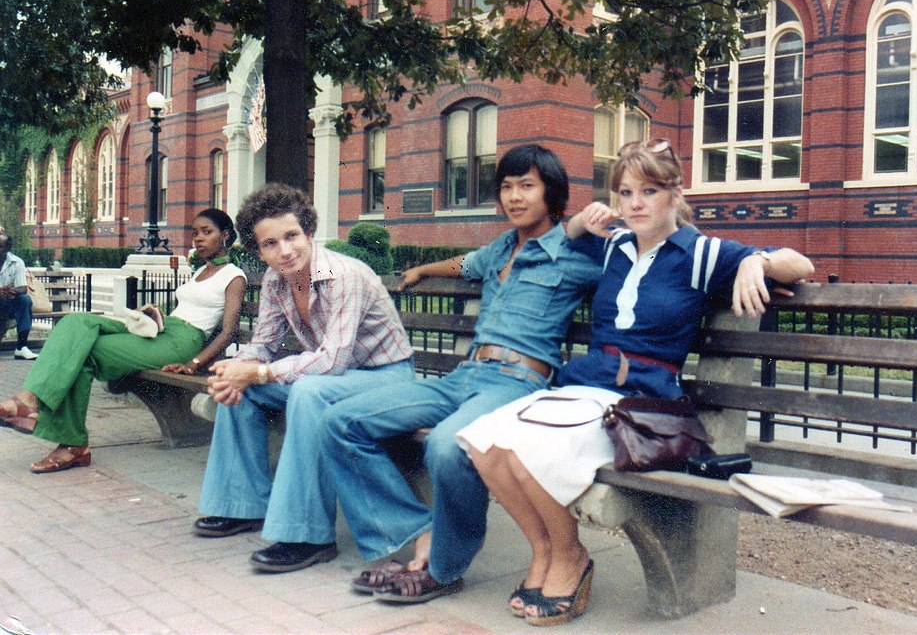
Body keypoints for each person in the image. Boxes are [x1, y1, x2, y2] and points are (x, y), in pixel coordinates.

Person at [456, 140, 816, 626]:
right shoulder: (616, 247)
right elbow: (563, 234)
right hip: (584, 387)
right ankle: (544, 550)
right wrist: (586, 219)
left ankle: (571, 558)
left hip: (639, 402)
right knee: (484, 443)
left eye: (649, 190)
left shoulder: (701, 252)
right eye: (625, 192)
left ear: (675, 193)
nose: (636, 203)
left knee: (526, 451)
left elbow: (801, 265)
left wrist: (759, 261)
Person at [318, 144, 603, 603]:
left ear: (552, 193)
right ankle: (415, 531)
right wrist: (423, 269)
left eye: (527, 186)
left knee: (447, 445)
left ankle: (444, 568)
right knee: (339, 421)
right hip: (464, 377)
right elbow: (464, 264)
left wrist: (755, 266)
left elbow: (642, 256)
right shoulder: (501, 249)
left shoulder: (577, 253)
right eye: (507, 187)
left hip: (517, 383)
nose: (514, 196)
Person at [193, 183, 415, 574]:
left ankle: (309, 535)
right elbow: (262, 343)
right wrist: (234, 371)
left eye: (292, 236)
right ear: (258, 250)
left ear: (309, 233)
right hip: (338, 378)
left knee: (309, 392)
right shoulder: (277, 282)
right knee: (243, 391)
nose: (284, 250)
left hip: (387, 379)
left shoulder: (345, 275)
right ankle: (241, 506)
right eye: (270, 243)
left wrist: (258, 371)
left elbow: (332, 361)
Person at [0, 209, 247, 473]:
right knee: (75, 322)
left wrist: (194, 362)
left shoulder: (233, 276)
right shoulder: (201, 271)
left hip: (182, 342)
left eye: (206, 232)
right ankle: (35, 406)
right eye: (195, 233)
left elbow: (228, 330)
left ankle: (66, 439)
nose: (198, 238)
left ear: (226, 235)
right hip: (163, 330)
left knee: (85, 353)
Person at [0, 233, 39, 361]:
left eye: (0, 246)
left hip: (6, 303)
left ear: (7, 249)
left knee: (24, 300)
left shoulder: (17, 262)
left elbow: (23, 288)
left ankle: (21, 347)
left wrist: (12, 290)